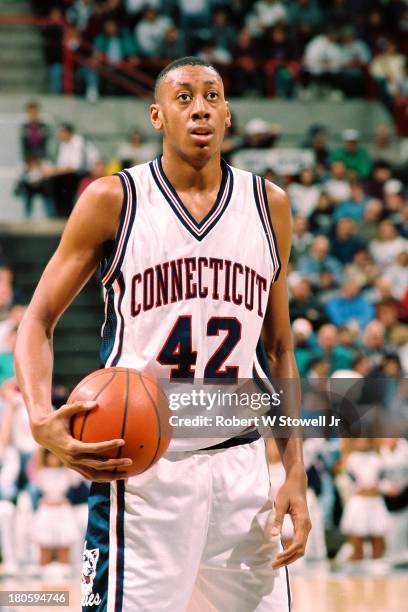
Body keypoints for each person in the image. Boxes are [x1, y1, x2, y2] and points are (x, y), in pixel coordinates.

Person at [15, 58, 310, 611]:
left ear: (228, 114)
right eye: (183, 97)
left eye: (212, 96)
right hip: (143, 469)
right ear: (157, 115)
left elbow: (279, 349)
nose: (199, 106)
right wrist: (37, 416)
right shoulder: (114, 201)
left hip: (242, 472)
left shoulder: (270, 206)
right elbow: (36, 321)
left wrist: (294, 470)